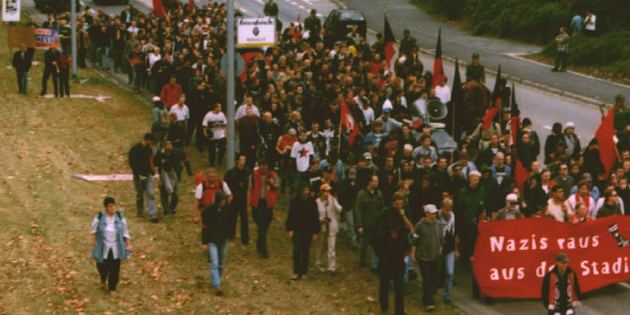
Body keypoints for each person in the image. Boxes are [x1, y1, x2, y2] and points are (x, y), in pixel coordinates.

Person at [373, 195, 410, 315]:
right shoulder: (384, 215)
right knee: (384, 284)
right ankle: (384, 307)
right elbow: (377, 235)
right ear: (393, 203)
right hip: (386, 255)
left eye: (401, 204)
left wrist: (406, 248)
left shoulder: (401, 216)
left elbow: (407, 232)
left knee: (399, 287)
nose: (399, 206)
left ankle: (399, 311)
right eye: (397, 204)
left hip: (398, 256)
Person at [90, 197, 132, 294]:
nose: (113, 208)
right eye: (110, 206)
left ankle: (112, 287)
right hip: (103, 246)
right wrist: (93, 241)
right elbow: (93, 230)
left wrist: (128, 244)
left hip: (116, 246)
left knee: (115, 267)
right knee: (102, 265)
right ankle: (103, 278)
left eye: (114, 206)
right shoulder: (100, 217)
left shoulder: (120, 217)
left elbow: (125, 232)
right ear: (106, 208)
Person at [412, 204, 446, 312]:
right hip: (423, 257)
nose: (434, 215)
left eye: (435, 213)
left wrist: (440, 249)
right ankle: (429, 303)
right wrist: (413, 254)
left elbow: (441, 239)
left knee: (433, 280)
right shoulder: (420, 225)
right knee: (426, 279)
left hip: (435, 256)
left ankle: (427, 296)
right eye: (432, 213)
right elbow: (415, 241)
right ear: (426, 213)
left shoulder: (439, 225)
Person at [286, 185, 320, 280]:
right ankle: (296, 271)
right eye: (304, 190)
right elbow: (291, 215)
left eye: (307, 190)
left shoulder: (312, 202)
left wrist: (315, 232)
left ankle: (304, 271)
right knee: (296, 250)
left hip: (308, 230)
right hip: (297, 229)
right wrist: (290, 229)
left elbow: (315, 217)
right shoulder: (295, 201)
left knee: (306, 251)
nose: (306, 192)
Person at [248, 159, 280, 258]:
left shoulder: (273, 175)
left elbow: (277, 188)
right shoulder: (253, 175)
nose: (263, 168)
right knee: (261, 226)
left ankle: (259, 244)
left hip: (268, 204)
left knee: (265, 226)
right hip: (257, 204)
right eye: (262, 166)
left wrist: (272, 183)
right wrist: (248, 205)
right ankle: (263, 251)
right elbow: (249, 189)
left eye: (265, 166)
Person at [202, 192, 231, 296]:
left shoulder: (227, 210)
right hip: (212, 239)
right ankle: (217, 286)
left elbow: (230, 223)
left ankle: (215, 279)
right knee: (214, 262)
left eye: (225, 201)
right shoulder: (209, 211)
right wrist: (204, 242)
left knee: (221, 263)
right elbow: (205, 227)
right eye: (222, 201)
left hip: (223, 239)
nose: (223, 203)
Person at [355, 175, 385, 270]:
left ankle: (376, 263)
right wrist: (359, 225)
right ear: (369, 182)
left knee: (378, 244)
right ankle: (362, 262)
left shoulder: (379, 194)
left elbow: (382, 207)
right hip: (366, 224)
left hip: (377, 224)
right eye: (375, 181)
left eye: (377, 181)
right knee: (364, 244)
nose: (377, 183)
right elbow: (358, 210)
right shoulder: (361, 194)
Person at [128, 133, 158, 222]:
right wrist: (138, 173)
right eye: (151, 141)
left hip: (148, 175)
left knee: (151, 194)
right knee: (140, 194)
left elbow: (151, 160)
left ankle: (153, 215)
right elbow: (132, 162)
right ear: (147, 140)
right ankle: (140, 210)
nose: (151, 143)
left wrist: (152, 171)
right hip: (138, 176)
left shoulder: (149, 149)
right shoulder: (135, 149)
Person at [315, 183, 342, 274]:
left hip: (331, 226)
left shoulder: (332, 200)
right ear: (321, 192)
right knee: (320, 245)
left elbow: (339, 210)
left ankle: (331, 267)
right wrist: (321, 219)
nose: (327, 193)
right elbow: (314, 215)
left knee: (331, 247)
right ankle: (318, 262)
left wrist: (334, 201)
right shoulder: (317, 202)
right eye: (326, 191)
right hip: (321, 226)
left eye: (329, 191)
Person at [223, 154, 250, 244]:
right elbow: (225, 187)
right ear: (237, 161)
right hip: (233, 198)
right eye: (242, 160)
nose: (243, 162)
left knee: (244, 218)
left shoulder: (247, 172)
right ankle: (230, 234)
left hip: (243, 198)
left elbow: (248, 187)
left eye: (244, 160)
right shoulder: (230, 173)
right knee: (232, 217)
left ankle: (245, 238)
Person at [154, 141, 183, 216]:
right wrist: (161, 163)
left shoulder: (176, 153)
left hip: (174, 175)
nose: (169, 146)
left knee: (176, 195)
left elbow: (180, 163)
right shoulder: (160, 153)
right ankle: (167, 210)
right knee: (164, 194)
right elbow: (155, 163)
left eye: (170, 144)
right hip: (163, 175)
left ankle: (172, 208)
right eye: (167, 145)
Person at [438, 198, 458, 305]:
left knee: (449, 272)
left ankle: (447, 296)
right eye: (446, 209)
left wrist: (456, 249)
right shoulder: (436, 216)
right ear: (442, 208)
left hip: (449, 248)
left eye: (450, 209)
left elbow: (455, 234)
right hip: (438, 248)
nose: (448, 211)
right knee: (436, 270)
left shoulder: (453, 217)